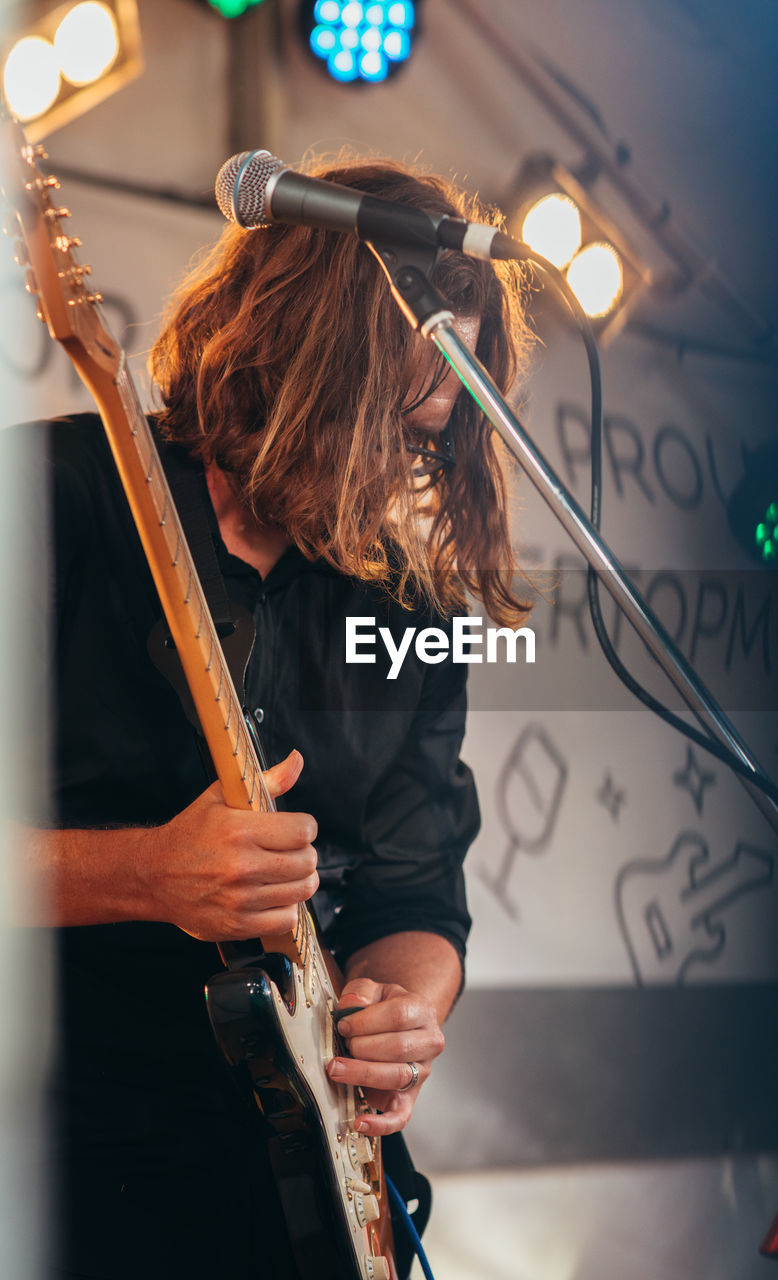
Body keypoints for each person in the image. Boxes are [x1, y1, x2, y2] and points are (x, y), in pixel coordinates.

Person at [15, 156, 532, 1278]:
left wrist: (401, 1008)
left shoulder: (405, 607)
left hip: (295, 1182)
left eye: (445, 418)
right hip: (60, 1156)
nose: (424, 439)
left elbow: (415, 890)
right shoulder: (51, 501)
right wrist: (144, 871)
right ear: (306, 344)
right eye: (400, 404)